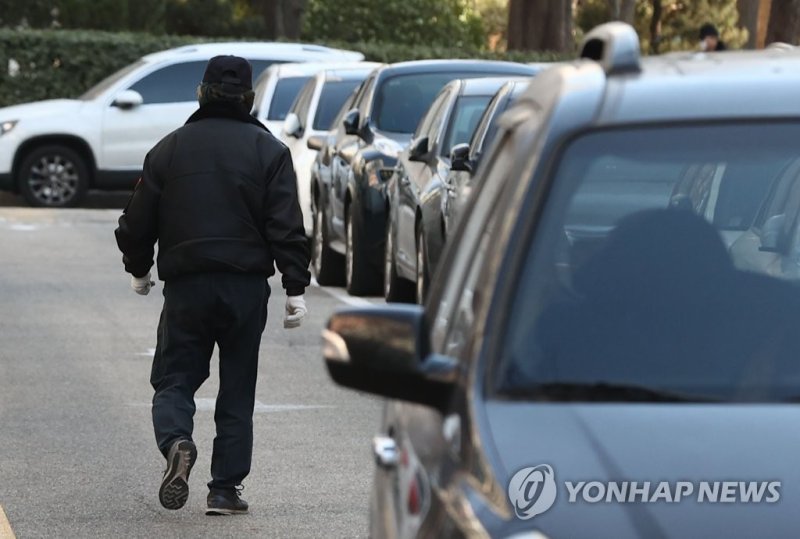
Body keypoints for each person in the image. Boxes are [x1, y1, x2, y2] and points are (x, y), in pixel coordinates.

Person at [114, 55, 311, 515]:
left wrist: (139, 268)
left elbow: (136, 222)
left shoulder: (170, 148)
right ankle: (224, 490)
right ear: (249, 99)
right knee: (237, 387)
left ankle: (177, 441)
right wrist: (295, 287)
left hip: (188, 286)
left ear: (201, 93)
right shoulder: (270, 152)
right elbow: (286, 225)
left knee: (174, 380)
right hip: (245, 289)